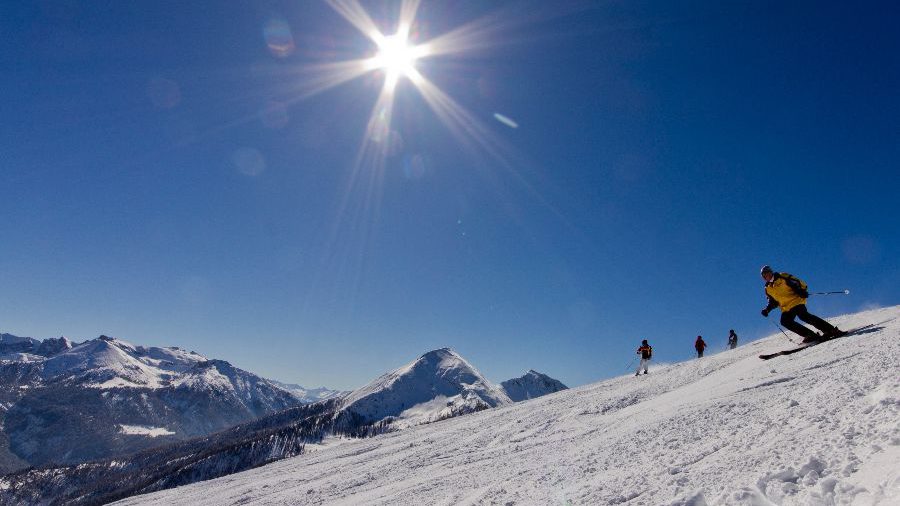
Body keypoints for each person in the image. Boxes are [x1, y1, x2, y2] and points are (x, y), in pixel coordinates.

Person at [759, 265, 845, 343]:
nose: (767, 276)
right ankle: (810, 334)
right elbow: (772, 301)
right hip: (786, 307)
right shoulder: (768, 288)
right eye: (764, 276)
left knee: (803, 316)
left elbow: (798, 282)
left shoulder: (782, 277)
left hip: (796, 301)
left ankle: (830, 330)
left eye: (768, 273)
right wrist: (767, 309)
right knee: (785, 321)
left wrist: (801, 291)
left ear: (771, 272)